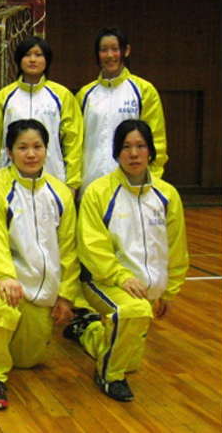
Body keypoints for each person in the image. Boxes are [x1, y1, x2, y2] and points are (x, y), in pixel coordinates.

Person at [67, 119, 188, 402]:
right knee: (133, 313)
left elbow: (176, 247)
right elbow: (92, 247)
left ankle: (88, 329)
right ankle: (109, 376)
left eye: (140, 146)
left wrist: (170, 290)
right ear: (116, 153)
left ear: (151, 152)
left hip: (143, 290)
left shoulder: (167, 195)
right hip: (102, 281)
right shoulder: (99, 192)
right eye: (126, 147)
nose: (134, 154)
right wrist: (120, 277)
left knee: (129, 356)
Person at [0, 119, 79, 409]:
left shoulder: (60, 193)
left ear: (46, 150)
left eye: (37, 147)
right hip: (6, 282)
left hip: (42, 291)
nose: (31, 154)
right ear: (9, 152)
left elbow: (68, 248)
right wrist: (4, 276)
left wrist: (66, 294)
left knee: (28, 361)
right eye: (22, 148)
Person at [76, 27, 168, 199]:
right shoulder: (84, 95)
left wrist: (152, 179)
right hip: (90, 185)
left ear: (126, 50)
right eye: (104, 50)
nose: (109, 55)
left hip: (132, 186)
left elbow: (157, 141)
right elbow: (75, 144)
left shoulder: (144, 91)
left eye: (115, 49)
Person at [0, 36, 83, 197]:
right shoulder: (4, 97)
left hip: (52, 180)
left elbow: (73, 142)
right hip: (8, 183)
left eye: (39, 55)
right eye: (27, 55)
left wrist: (72, 183)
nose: (33, 59)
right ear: (19, 59)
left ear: (47, 60)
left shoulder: (62, 96)